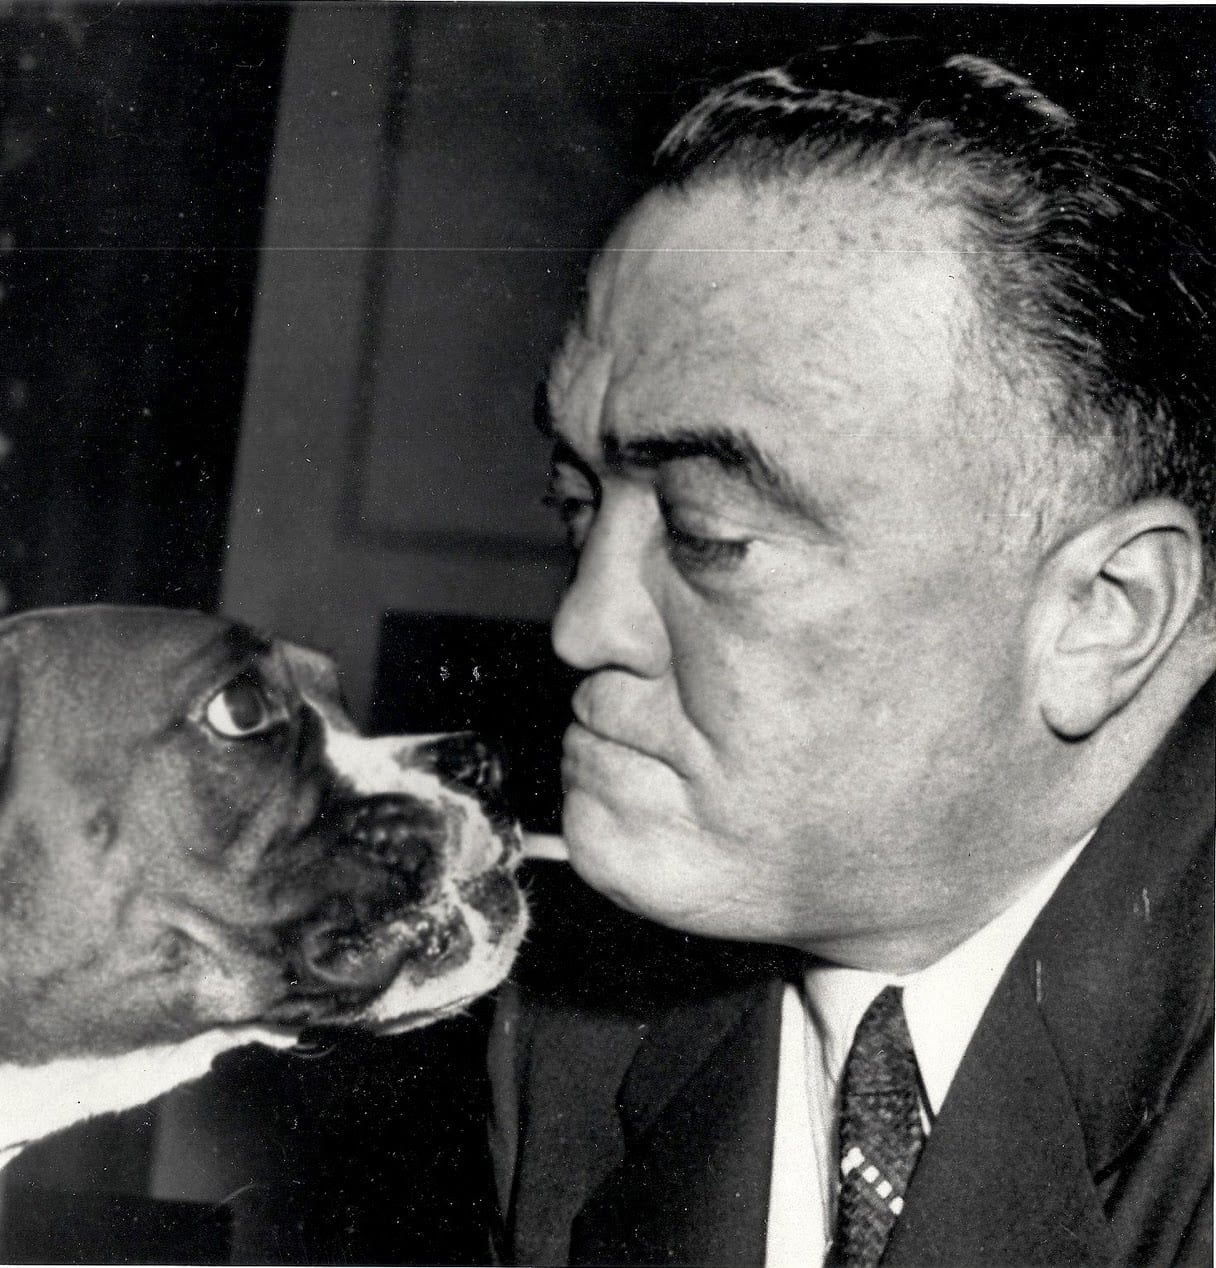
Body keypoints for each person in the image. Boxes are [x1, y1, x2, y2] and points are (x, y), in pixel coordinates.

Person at [489, 38, 1214, 1267]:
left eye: (711, 535)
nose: (580, 624)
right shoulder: (572, 1030)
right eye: (576, 503)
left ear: (1103, 611)